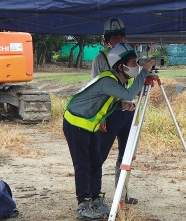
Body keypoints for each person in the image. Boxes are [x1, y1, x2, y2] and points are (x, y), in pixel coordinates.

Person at [63, 43, 155, 220]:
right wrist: (144, 72)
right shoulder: (108, 80)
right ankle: (83, 204)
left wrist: (121, 104)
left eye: (137, 63)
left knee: (96, 161)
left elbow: (106, 100)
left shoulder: (117, 80)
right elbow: (129, 93)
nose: (136, 66)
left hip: (88, 124)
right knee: (83, 163)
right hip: (75, 123)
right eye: (133, 63)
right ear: (120, 66)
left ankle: (96, 199)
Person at [91, 17, 138, 205]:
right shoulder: (100, 59)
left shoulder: (129, 55)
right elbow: (96, 90)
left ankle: (122, 194)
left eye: (122, 36)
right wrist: (100, 117)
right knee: (99, 155)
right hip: (109, 114)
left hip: (128, 111)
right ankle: (94, 196)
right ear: (107, 40)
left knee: (125, 155)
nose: (119, 40)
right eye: (115, 37)